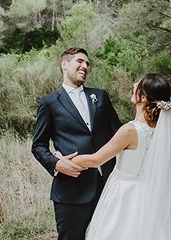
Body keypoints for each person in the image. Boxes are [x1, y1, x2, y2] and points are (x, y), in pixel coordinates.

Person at [62, 73, 171, 240]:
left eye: (138, 84)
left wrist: (61, 161)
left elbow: (95, 159)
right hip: (153, 195)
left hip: (125, 194)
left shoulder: (130, 130)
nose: (134, 84)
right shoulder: (162, 130)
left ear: (143, 97)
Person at [32, 47, 122, 240]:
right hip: (72, 188)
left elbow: (118, 133)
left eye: (87, 64)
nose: (85, 66)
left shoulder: (100, 96)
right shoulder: (50, 102)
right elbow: (38, 145)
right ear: (64, 65)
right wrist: (56, 164)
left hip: (109, 184)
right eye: (80, 62)